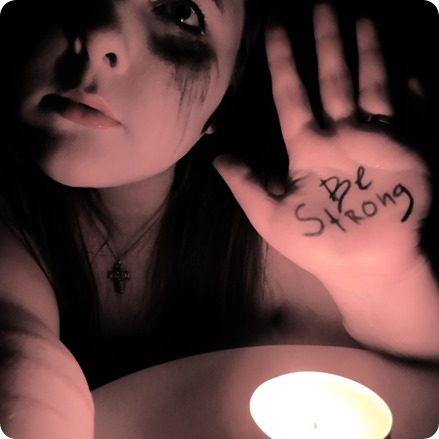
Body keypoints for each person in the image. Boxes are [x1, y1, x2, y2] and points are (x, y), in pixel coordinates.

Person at [0, 0, 438, 437]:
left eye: (181, 13)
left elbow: (422, 366)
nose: (99, 37)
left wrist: (387, 280)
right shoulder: (13, 221)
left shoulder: (276, 228)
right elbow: (21, 355)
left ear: (224, 101)